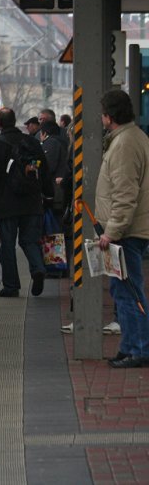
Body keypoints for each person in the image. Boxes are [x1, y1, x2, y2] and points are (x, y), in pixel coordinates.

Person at [95, 89, 149, 368]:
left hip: (126, 234)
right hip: (128, 231)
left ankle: (139, 349)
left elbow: (125, 194)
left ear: (109, 116)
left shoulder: (125, 144)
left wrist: (111, 232)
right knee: (122, 291)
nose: (101, 119)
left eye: (103, 114)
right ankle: (130, 346)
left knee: (128, 292)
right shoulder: (131, 137)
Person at [0, 107, 54, 298]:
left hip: (6, 205)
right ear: (15, 122)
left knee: (7, 246)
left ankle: (11, 286)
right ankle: (37, 268)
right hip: (31, 202)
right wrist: (49, 195)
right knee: (30, 241)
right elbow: (44, 171)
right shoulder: (31, 142)